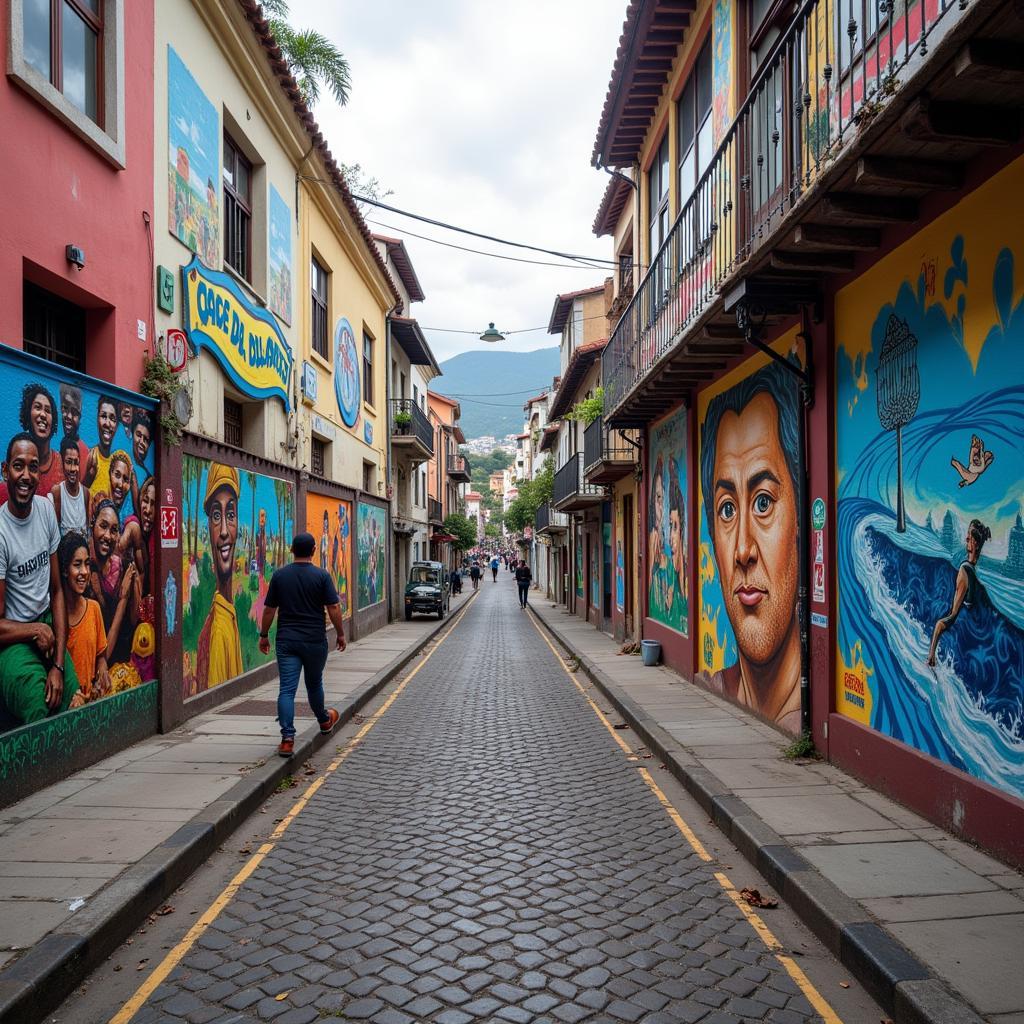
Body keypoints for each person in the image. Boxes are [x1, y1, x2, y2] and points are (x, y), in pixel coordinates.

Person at [700, 360, 801, 732]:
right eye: (727, 509)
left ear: (799, 525)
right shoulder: (711, 684)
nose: (743, 550)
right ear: (712, 536)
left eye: (763, 502)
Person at [0, 434, 80, 725]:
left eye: (33, 467)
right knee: (40, 714)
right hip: (13, 644)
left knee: (77, 705)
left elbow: (57, 591)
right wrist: (34, 629)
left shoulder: (46, 510)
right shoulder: (1, 533)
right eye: (18, 466)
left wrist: (58, 664)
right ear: (5, 469)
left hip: (47, 627)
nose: (26, 475)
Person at [259, 532, 347, 758]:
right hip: (314, 641)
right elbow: (334, 608)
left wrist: (264, 634)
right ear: (314, 551)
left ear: (291, 551)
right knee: (314, 684)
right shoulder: (322, 576)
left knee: (286, 690)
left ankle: (287, 739)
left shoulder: (279, 576)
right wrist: (340, 634)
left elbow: (269, 609)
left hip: (287, 641)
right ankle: (324, 721)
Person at [196, 464, 242, 688]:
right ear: (209, 527)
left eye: (230, 514)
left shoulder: (228, 612)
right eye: (216, 515)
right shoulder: (217, 631)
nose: (224, 530)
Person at [928, 519, 991, 667]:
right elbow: (953, 617)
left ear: (975, 543)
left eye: (969, 535)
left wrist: (932, 654)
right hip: (976, 649)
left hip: (974, 651)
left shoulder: (969, 571)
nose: (966, 538)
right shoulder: (969, 573)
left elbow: (952, 617)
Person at [59, 531, 111, 703]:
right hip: (67, 708)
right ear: (65, 570)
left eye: (87, 564)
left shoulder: (94, 609)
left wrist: (102, 673)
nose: (84, 572)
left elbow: (101, 657)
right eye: (77, 565)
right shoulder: (55, 618)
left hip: (92, 704)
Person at [89, 498, 138, 667]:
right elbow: (103, 651)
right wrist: (123, 597)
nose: (108, 536)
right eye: (103, 526)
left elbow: (133, 620)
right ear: (92, 525)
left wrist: (135, 584)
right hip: (98, 667)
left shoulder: (124, 568)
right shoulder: (84, 574)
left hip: (123, 667)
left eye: (114, 530)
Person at [51, 434, 91, 537]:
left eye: (76, 463)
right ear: (62, 463)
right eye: (68, 462)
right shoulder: (57, 492)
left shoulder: (86, 493)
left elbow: (87, 530)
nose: (73, 468)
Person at [83, 396, 119, 496]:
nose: (107, 423)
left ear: (117, 425)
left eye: (112, 419)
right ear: (97, 419)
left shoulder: (117, 464)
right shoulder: (91, 457)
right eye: (103, 416)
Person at [59, 383, 90, 473]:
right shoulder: (61, 445)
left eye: (74, 412)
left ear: (80, 417)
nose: (69, 416)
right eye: (65, 408)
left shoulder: (83, 453)